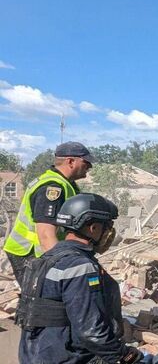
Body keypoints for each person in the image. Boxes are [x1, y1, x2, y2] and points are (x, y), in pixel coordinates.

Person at [17, 193, 143, 364]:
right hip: (68, 358)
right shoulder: (80, 267)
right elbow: (91, 332)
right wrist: (123, 355)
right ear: (93, 228)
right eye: (107, 227)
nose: (109, 233)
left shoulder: (46, 260)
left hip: (35, 356)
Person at [4, 141, 93, 287]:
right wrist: (64, 266)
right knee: (40, 300)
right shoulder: (52, 188)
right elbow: (46, 235)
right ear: (70, 161)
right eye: (86, 162)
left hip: (41, 253)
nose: (89, 166)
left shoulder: (65, 184)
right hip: (30, 253)